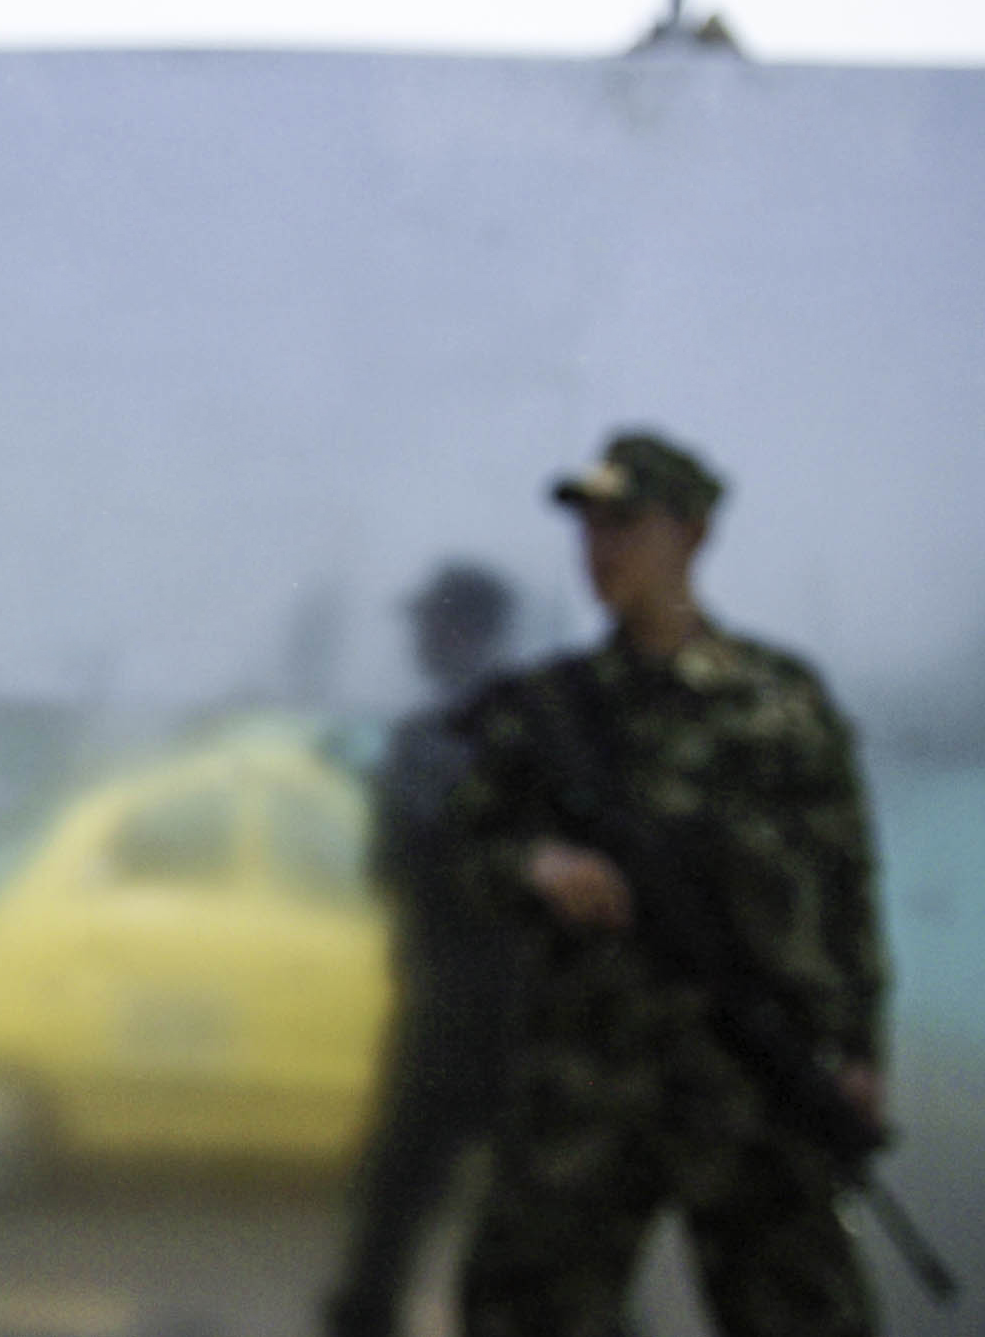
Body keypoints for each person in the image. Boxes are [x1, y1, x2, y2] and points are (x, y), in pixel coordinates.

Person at [450, 431, 888, 1337]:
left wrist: (858, 1047)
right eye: (588, 527)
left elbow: (845, 882)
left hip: (753, 1080)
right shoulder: (547, 709)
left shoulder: (780, 702)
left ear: (691, 534)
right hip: (586, 1084)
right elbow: (457, 851)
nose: (600, 549)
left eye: (625, 523)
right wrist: (532, 865)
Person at [324, 561, 523, 1337]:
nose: (413, 641)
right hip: (527, 1012)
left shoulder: (427, 741)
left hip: (454, 1006)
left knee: (392, 1215)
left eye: (425, 625)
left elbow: (393, 869)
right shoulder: (544, 730)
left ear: (459, 632)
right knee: (546, 1235)